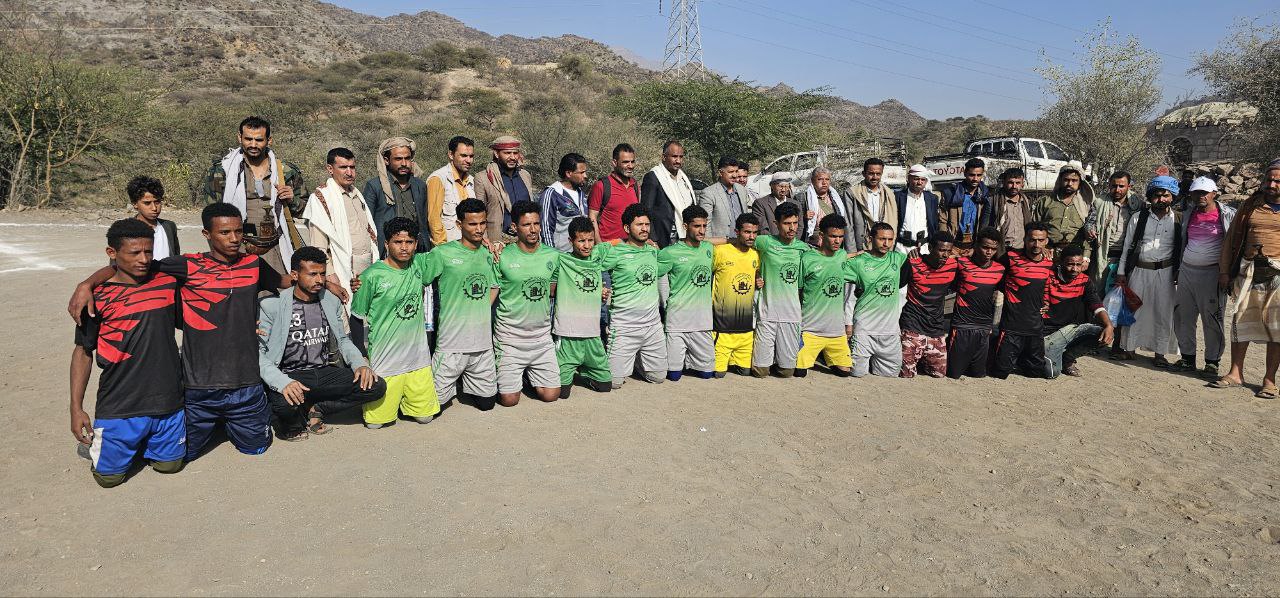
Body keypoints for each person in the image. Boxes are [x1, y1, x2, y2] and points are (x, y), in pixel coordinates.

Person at [69, 202, 298, 461]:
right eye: (225, 232)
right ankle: (111, 444)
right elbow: (129, 264)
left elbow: (285, 281)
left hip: (246, 382)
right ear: (206, 234)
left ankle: (229, 422)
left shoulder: (253, 264)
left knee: (256, 448)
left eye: (238, 231)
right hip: (198, 385)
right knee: (182, 454)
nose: (234, 239)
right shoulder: (187, 265)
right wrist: (86, 284)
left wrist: (322, 280)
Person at [69, 219, 185, 487]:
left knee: (170, 466)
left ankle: (142, 440)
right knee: (109, 479)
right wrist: (76, 408)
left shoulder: (167, 282)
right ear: (112, 253)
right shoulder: (96, 298)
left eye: (148, 251)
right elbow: (83, 352)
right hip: (120, 402)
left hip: (168, 399)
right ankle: (104, 442)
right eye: (134, 253)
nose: (144, 259)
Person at [259, 246, 384, 439]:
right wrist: (282, 382)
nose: (319, 280)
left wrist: (360, 364)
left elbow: (343, 340)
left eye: (322, 274)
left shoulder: (330, 301)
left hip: (324, 372)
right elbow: (259, 354)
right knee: (284, 406)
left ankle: (317, 408)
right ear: (295, 275)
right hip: (290, 374)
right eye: (312, 274)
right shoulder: (271, 305)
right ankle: (295, 419)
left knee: (376, 386)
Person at [350, 218, 442, 428]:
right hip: (386, 361)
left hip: (417, 360)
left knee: (425, 418)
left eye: (409, 242)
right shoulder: (371, 276)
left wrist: (490, 244)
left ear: (416, 244)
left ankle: (405, 399)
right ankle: (392, 398)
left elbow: (457, 250)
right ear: (386, 244)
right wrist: (361, 356)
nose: (404, 247)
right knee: (376, 424)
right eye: (398, 242)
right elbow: (356, 318)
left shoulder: (419, 264)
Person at [418, 198, 498, 409]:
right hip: (451, 344)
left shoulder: (489, 254)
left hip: (482, 345)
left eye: (482, 223)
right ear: (459, 224)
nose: (479, 229)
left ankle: (467, 381)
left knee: (487, 404)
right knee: (432, 408)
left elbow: (494, 286)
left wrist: (481, 308)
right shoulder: (442, 253)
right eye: (472, 224)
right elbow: (420, 279)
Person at [203, 116, 307, 278]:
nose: (253, 144)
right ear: (239, 138)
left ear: (269, 140)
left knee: (279, 292)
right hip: (236, 248)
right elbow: (211, 216)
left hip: (276, 247)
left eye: (259, 140)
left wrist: (291, 200)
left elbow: (305, 210)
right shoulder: (222, 171)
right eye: (248, 139)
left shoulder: (285, 172)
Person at [1212, 160, 1280, 398]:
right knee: (1240, 323)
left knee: (1277, 329)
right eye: (1269, 179)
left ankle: (1269, 380)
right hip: (1248, 271)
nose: (1272, 184)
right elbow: (1231, 238)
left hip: (1278, 275)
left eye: (1277, 181)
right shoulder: (1250, 205)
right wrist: (1224, 271)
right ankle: (1235, 373)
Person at [493, 201, 562, 406]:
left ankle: (527, 376)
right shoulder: (502, 255)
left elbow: (553, 290)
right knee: (509, 400)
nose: (533, 230)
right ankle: (511, 375)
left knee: (551, 395)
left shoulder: (553, 255)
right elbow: (492, 291)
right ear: (515, 227)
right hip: (510, 337)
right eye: (526, 225)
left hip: (541, 337)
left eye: (536, 224)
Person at [598, 204, 674, 387]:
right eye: (639, 225)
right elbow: (590, 261)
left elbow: (667, 265)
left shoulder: (653, 251)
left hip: (652, 326)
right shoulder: (615, 251)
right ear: (627, 228)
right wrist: (599, 286)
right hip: (624, 326)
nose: (644, 229)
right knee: (614, 383)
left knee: (658, 378)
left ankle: (638, 361)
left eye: (647, 224)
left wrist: (656, 247)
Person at [1171, 176, 1235, 376]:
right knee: (1183, 316)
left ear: (1214, 193)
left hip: (1213, 273)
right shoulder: (1187, 214)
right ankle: (1187, 358)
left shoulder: (1228, 215)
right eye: (1196, 192)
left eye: (1204, 192)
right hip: (1187, 271)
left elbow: (1236, 244)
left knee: (1212, 318)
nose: (1200, 196)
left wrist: (1227, 273)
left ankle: (1212, 362)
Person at [1114, 176, 1180, 367]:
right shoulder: (1138, 218)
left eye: (1166, 195)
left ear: (1172, 197)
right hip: (1139, 271)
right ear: (1150, 197)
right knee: (1134, 310)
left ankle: (1160, 353)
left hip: (1166, 273)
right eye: (1157, 195)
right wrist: (1121, 273)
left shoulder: (1178, 219)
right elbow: (1127, 247)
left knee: (1163, 313)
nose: (1161, 199)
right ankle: (1129, 349)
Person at [303, 147, 378, 310]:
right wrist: (330, 275)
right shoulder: (321, 197)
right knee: (345, 314)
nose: (349, 172)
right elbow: (318, 244)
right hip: (341, 267)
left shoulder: (357, 194)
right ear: (330, 169)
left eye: (352, 167)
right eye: (343, 167)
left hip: (367, 265)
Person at [751, 202, 815, 378]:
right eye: (787, 223)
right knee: (760, 372)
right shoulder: (764, 242)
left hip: (791, 314)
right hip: (767, 312)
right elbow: (739, 244)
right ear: (776, 223)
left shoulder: (803, 249)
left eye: (795, 223)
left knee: (786, 372)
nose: (792, 228)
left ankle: (779, 357)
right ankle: (767, 358)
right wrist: (754, 274)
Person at [552, 217, 613, 398]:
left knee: (605, 386)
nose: (587, 246)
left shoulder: (598, 257)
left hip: (592, 335)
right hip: (568, 335)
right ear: (570, 241)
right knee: (562, 393)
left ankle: (584, 371)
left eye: (590, 240)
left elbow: (619, 244)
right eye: (581, 241)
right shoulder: (561, 260)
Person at [989, 222, 1054, 379]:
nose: (1036, 244)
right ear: (1025, 239)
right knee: (1000, 373)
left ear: (1046, 241)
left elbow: (1051, 287)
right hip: (1011, 328)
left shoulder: (1050, 263)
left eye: (1041, 240)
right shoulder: (1010, 258)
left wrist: (1047, 303)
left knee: (1035, 374)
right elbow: (990, 272)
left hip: (1035, 329)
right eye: (1032, 240)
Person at [658, 205, 716, 381]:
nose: (702, 231)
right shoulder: (669, 252)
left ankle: (691, 359)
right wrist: (665, 303)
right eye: (697, 226)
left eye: (704, 226)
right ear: (685, 226)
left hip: (702, 322)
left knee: (707, 375)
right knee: (674, 376)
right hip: (677, 321)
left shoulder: (709, 249)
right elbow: (655, 277)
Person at [796, 214, 857, 377]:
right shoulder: (807, 259)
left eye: (841, 237)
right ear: (822, 235)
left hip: (836, 331)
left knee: (845, 372)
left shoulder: (842, 255)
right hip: (810, 329)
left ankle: (824, 354)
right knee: (799, 372)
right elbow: (798, 291)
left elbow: (856, 256)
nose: (837, 241)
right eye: (833, 236)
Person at [845, 222, 908, 377]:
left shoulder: (898, 258)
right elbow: (829, 265)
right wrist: (849, 255)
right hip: (864, 330)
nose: (886, 243)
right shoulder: (859, 261)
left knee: (890, 376)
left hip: (890, 333)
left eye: (890, 239)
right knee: (856, 374)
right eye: (881, 239)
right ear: (870, 238)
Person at [1043, 245, 1115, 378]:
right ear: (1060, 262)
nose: (1075, 269)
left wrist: (1109, 326)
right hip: (1046, 331)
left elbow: (1097, 305)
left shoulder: (1085, 280)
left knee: (1102, 332)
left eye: (1078, 265)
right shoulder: (1048, 276)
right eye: (1070, 264)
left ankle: (1068, 359)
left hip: (1069, 329)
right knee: (1052, 373)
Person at [947, 226, 1006, 379]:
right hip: (961, 326)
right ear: (976, 245)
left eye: (993, 249)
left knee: (978, 375)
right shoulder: (961, 264)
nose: (989, 252)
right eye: (985, 247)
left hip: (984, 328)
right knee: (953, 374)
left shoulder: (1000, 270)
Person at [899, 232, 958, 378]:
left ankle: (921, 355)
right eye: (941, 250)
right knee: (906, 374)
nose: (945, 255)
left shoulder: (953, 266)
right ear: (930, 248)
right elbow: (897, 284)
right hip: (912, 323)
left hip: (935, 327)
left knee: (939, 374)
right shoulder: (914, 263)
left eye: (948, 251)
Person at [712, 213, 761, 377]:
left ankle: (735, 359)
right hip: (722, 328)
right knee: (718, 374)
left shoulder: (756, 255)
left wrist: (759, 279)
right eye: (747, 232)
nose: (751, 236)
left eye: (754, 233)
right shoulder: (721, 251)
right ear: (737, 232)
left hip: (745, 331)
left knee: (745, 372)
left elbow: (758, 275)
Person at [362, 136, 428, 253]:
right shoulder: (375, 186)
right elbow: (366, 222)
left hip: (416, 249)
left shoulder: (419, 185)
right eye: (398, 159)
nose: (404, 163)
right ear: (386, 160)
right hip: (386, 251)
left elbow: (424, 220)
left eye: (407, 158)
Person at [1083, 171, 1140, 290]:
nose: (1117, 190)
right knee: (1097, 291)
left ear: (1129, 186)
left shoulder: (1137, 205)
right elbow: (1089, 222)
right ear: (1109, 185)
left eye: (1121, 186)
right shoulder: (1099, 202)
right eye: (1114, 186)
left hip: (1126, 258)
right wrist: (1090, 230)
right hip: (1102, 255)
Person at [473, 135, 535, 244]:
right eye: (507, 153)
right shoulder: (483, 178)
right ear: (496, 154)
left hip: (525, 239)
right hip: (497, 241)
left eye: (515, 153)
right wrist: (485, 240)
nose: (512, 157)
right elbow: (479, 214)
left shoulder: (525, 175)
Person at [640, 140, 697, 247]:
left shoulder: (683, 179)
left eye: (681, 157)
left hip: (686, 236)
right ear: (664, 157)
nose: (678, 160)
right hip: (665, 237)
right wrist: (652, 239)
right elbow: (646, 211)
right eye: (674, 156)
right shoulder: (654, 177)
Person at [425, 135, 476, 247]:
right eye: (463, 156)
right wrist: (442, 248)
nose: (468, 160)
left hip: (469, 245)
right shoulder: (438, 179)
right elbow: (434, 219)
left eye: (471, 156)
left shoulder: (472, 181)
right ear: (451, 155)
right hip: (448, 245)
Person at [940, 158, 998, 252]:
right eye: (972, 175)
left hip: (975, 247)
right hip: (953, 245)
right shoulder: (951, 194)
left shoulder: (986, 195)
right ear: (965, 173)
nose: (975, 179)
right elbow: (942, 221)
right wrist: (947, 244)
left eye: (979, 175)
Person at [1033, 165, 1094, 253]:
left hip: (1076, 254)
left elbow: (1089, 233)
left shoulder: (1086, 204)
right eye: (1066, 180)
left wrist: (1086, 256)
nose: (1070, 184)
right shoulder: (1045, 201)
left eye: (1074, 180)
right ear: (1060, 180)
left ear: (1080, 182)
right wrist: (1041, 248)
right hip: (1049, 252)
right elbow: (1034, 227)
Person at [588, 143, 640, 243]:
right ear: (615, 163)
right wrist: (600, 246)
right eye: (625, 162)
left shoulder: (635, 186)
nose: (630, 166)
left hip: (630, 247)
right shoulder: (601, 186)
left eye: (632, 162)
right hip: (608, 247)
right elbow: (592, 217)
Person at [539, 153, 590, 251]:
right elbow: (546, 229)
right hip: (560, 254)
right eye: (581, 172)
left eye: (585, 172)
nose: (585, 176)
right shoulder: (552, 194)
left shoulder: (581, 193)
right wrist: (551, 254)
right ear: (568, 173)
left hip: (580, 254)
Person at [802, 167, 858, 249]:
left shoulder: (837, 199)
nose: (824, 182)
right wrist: (803, 217)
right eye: (820, 179)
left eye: (827, 179)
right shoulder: (802, 198)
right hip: (812, 245)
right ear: (812, 180)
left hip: (834, 243)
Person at [126, 176, 180, 259]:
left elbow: (176, 258)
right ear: (135, 204)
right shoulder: (125, 230)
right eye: (147, 203)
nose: (154, 208)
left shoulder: (169, 227)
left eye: (157, 202)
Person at [848, 158, 897, 249]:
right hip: (861, 245)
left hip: (884, 245)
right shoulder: (853, 193)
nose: (874, 177)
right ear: (864, 174)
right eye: (871, 173)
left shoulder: (888, 193)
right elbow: (848, 224)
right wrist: (851, 251)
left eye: (878, 174)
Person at [699, 156, 751, 239]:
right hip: (720, 243)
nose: (735, 175)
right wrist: (708, 244)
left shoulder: (742, 190)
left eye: (736, 171)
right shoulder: (709, 193)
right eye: (730, 172)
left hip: (741, 242)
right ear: (720, 172)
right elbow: (705, 224)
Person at [895, 165, 941, 254]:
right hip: (901, 249)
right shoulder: (898, 197)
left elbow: (934, 223)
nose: (919, 182)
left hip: (924, 248)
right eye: (916, 179)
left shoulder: (932, 198)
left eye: (923, 179)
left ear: (926, 181)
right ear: (909, 178)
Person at [994, 167, 1032, 251]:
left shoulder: (1027, 202)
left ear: (1022, 184)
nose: (1014, 186)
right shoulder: (993, 201)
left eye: (1017, 183)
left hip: (1022, 250)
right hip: (1000, 249)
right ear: (1004, 183)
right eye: (1010, 182)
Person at [752, 172, 799, 236]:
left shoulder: (796, 204)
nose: (783, 190)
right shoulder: (760, 203)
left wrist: (793, 240)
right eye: (780, 186)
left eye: (786, 186)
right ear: (772, 186)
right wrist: (774, 241)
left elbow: (800, 227)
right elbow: (762, 228)